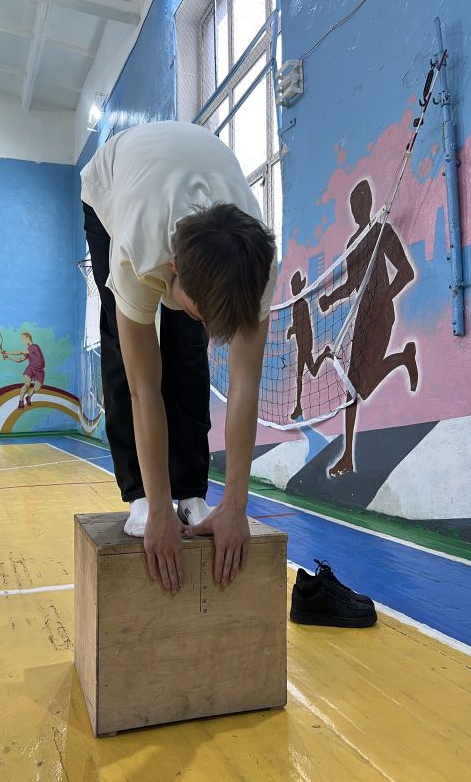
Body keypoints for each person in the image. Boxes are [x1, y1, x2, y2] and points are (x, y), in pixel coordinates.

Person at [81, 120, 277, 594]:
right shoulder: (137, 251)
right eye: (200, 310)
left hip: (191, 168)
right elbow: (143, 391)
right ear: (172, 267)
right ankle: (141, 495)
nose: (210, 325)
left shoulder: (258, 270)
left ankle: (191, 490)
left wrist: (235, 506)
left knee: (188, 350)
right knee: (124, 348)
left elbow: (246, 384)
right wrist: (156, 506)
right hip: (115, 182)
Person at [319, 180, 418, 476]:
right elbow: (352, 284)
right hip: (362, 318)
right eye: (354, 204)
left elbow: (406, 271)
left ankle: (403, 358)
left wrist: (384, 298)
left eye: (361, 201)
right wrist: (330, 298)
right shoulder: (354, 243)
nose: (357, 208)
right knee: (355, 387)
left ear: (369, 202)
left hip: (381, 314)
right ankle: (348, 456)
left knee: (358, 385)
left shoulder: (381, 232)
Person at [286, 270, 332, 420]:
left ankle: (298, 407)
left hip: (305, 343)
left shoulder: (302, 304)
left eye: (295, 285)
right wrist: (293, 330)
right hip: (301, 344)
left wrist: (293, 330)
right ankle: (298, 407)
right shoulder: (295, 305)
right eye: (292, 286)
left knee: (305, 374)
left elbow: (303, 326)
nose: (293, 288)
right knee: (307, 373)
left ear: (299, 287)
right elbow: (298, 325)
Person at [2, 332, 46, 409]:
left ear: (28, 338)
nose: (23, 340)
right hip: (31, 368)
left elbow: (20, 352)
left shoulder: (34, 347)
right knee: (27, 384)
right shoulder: (28, 351)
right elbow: (19, 360)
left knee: (37, 388)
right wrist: (8, 356)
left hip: (40, 371)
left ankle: (28, 397)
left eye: (23, 338)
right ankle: (21, 402)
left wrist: (7, 352)